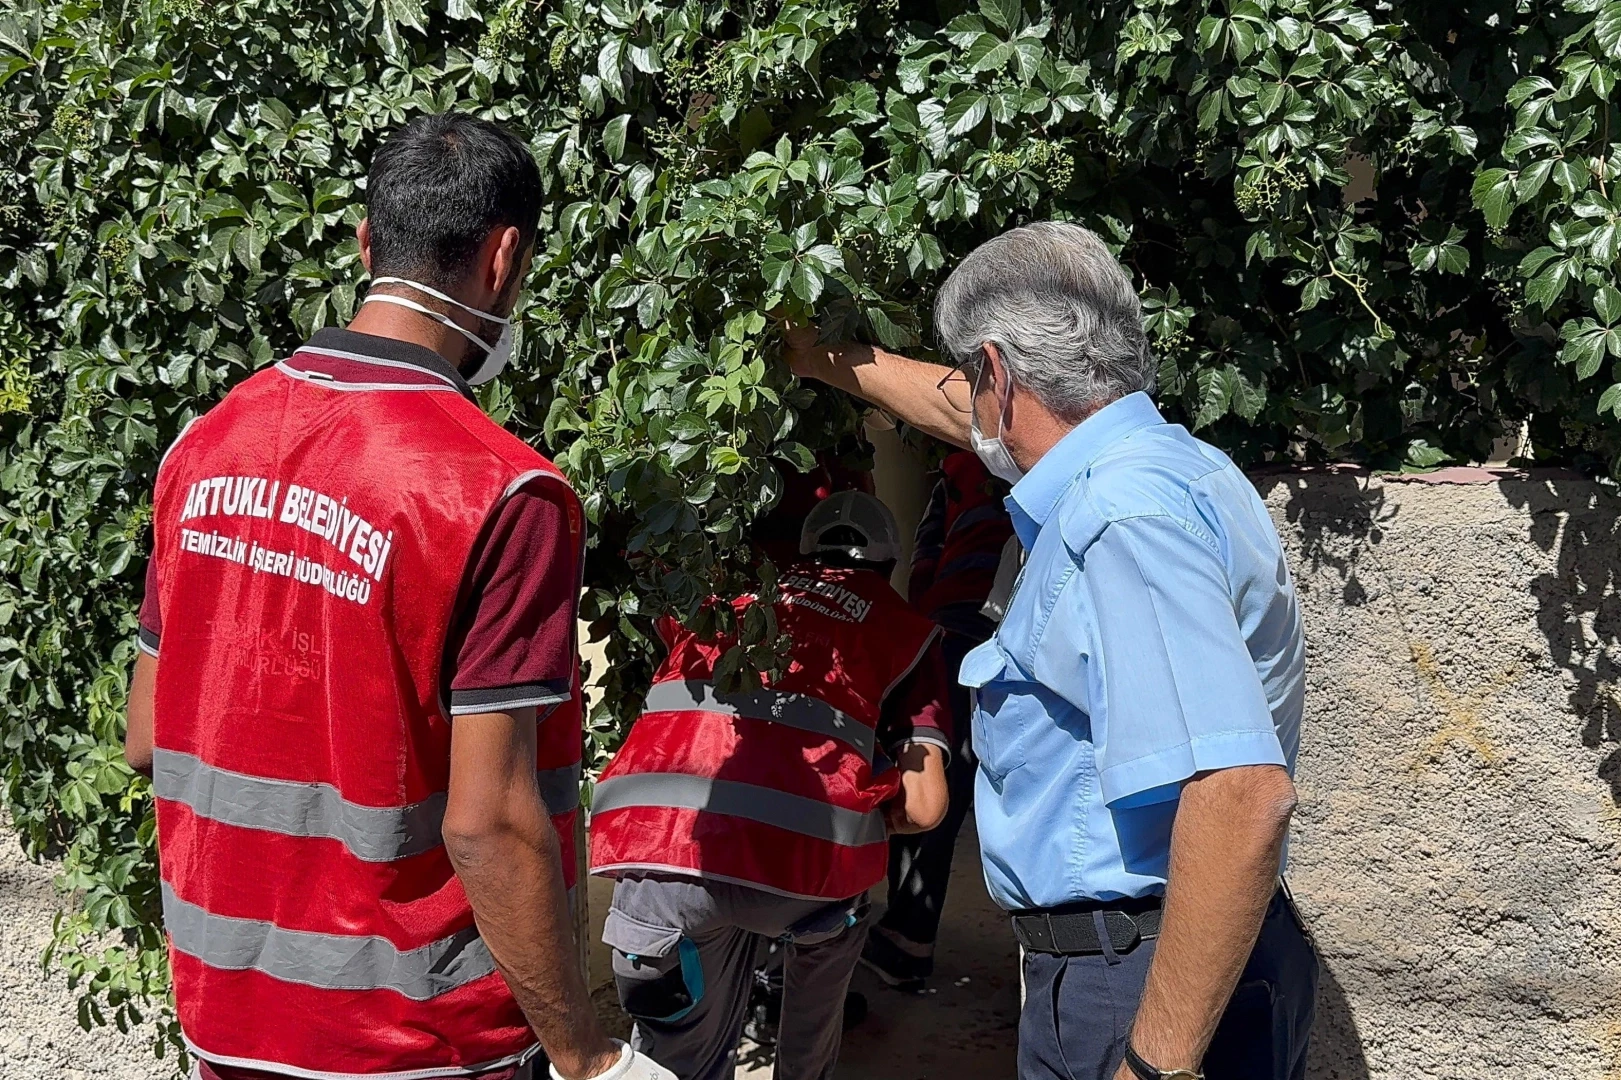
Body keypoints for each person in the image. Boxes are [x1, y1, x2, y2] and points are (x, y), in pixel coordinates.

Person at [123, 112, 670, 1080]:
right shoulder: (503, 494)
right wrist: (586, 1055)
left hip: (225, 1020)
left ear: (367, 243)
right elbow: (489, 822)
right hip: (412, 1048)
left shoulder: (202, 448)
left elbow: (146, 734)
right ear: (504, 259)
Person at [785, 221, 1318, 1080]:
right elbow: (969, 413)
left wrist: (1152, 1067)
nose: (963, 398)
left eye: (970, 373)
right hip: (1172, 955)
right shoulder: (1173, 465)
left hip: (1139, 984)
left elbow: (1241, 794)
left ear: (994, 370)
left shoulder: (1122, 520)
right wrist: (823, 358)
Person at [589, 490, 954, 1080]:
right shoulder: (901, 626)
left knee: (673, 1059)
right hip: (802, 883)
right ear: (889, 567)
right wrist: (864, 812)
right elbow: (926, 805)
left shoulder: (721, 600)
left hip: (656, 854)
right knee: (816, 991)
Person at [862, 450, 1012, 991]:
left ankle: (908, 936)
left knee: (928, 778)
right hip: (988, 633)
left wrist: (923, 630)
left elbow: (927, 555)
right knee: (943, 780)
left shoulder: (960, 470)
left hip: (960, 632)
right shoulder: (1012, 463)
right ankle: (905, 931)